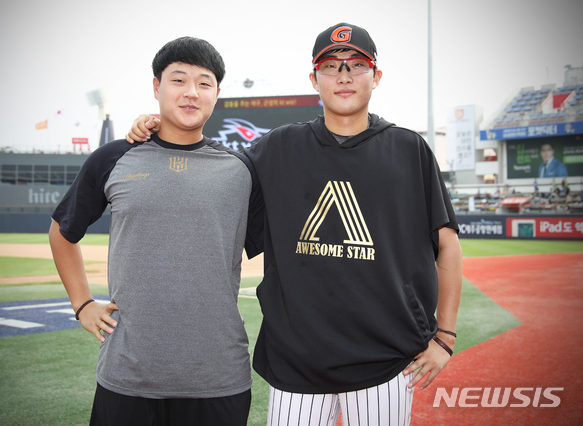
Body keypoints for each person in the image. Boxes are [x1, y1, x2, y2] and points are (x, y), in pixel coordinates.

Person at [127, 23, 463, 426]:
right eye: (331, 66)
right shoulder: (278, 147)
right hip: (296, 362)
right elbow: (211, 167)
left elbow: (447, 245)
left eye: (356, 65)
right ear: (313, 79)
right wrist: (160, 126)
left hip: (386, 361)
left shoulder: (409, 149)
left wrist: (445, 336)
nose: (343, 75)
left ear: (376, 77)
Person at [49, 36, 263, 426]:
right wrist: (82, 304)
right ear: (155, 86)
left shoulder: (242, 170)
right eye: (178, 80)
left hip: (218, 376)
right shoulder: (114, 157)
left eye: (204, 83)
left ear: (217, 93)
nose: (191, 93)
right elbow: (62, 231)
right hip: (128, 374)